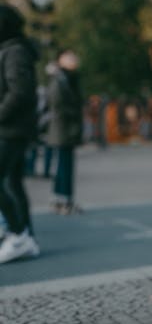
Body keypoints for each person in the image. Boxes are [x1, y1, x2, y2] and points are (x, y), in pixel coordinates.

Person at [0, 4, 39, 264]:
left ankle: (18, 234)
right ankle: (25, 235)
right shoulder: (12, 49)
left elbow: (19, 93)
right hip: (12, 128)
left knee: (8, 181)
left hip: (11, 130)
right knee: (13, 182)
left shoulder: (14, 51)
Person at [47, 49, 84, 215]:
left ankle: (62, 200)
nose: (73, 59)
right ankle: (63, 200)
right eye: (69, 57)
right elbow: (58, 103)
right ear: (60, 60)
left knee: (64, 164)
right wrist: (73, 114)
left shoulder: (67, 78)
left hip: (65, 128)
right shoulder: (60, 79)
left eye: (74, 56)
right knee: (64, 165)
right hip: (63, 128)